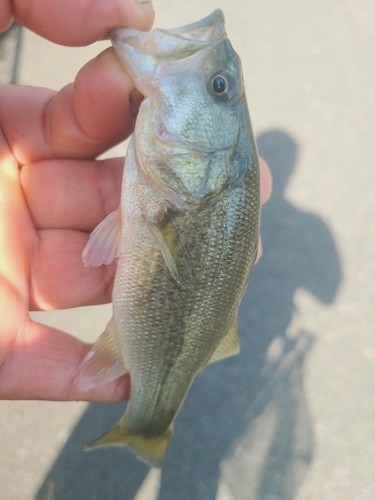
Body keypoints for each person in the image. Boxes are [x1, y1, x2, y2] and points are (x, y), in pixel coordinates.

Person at [0, 0, 272, 402]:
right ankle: (151, 417)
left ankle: (150, 420)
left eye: (219, 88)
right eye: (220, 84)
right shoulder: (172, 199)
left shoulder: (176, 202)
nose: (218, 85)